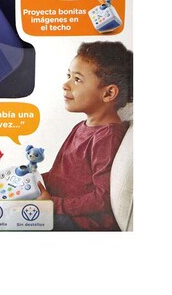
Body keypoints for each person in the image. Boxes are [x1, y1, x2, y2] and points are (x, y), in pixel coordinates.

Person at [38, 41, 133, 231]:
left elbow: (102, 198)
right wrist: (37, 180)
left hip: (82, 224)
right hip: (65, 213)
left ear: (109, 93)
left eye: (77, 79)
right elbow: (62, 177)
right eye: (68, 76)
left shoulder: (107, 138)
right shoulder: (81, 127)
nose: (65, 85)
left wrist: (53, 205)